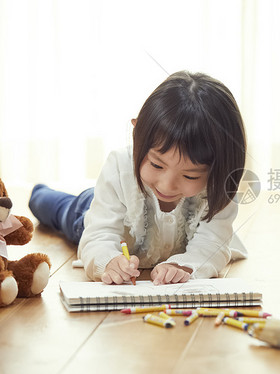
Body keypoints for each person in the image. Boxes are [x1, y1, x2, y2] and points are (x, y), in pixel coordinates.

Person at [29, 71, 247, 285]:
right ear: (137, 136)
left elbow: (213, 244)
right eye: (156, 164)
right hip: (95, 210)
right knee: (58, 209)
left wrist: (184, 266)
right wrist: (109, 261)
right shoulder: (119, 167)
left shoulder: (220, 186)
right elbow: (99, 235)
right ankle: (40, 193)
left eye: (190, 175)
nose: (167, 185)